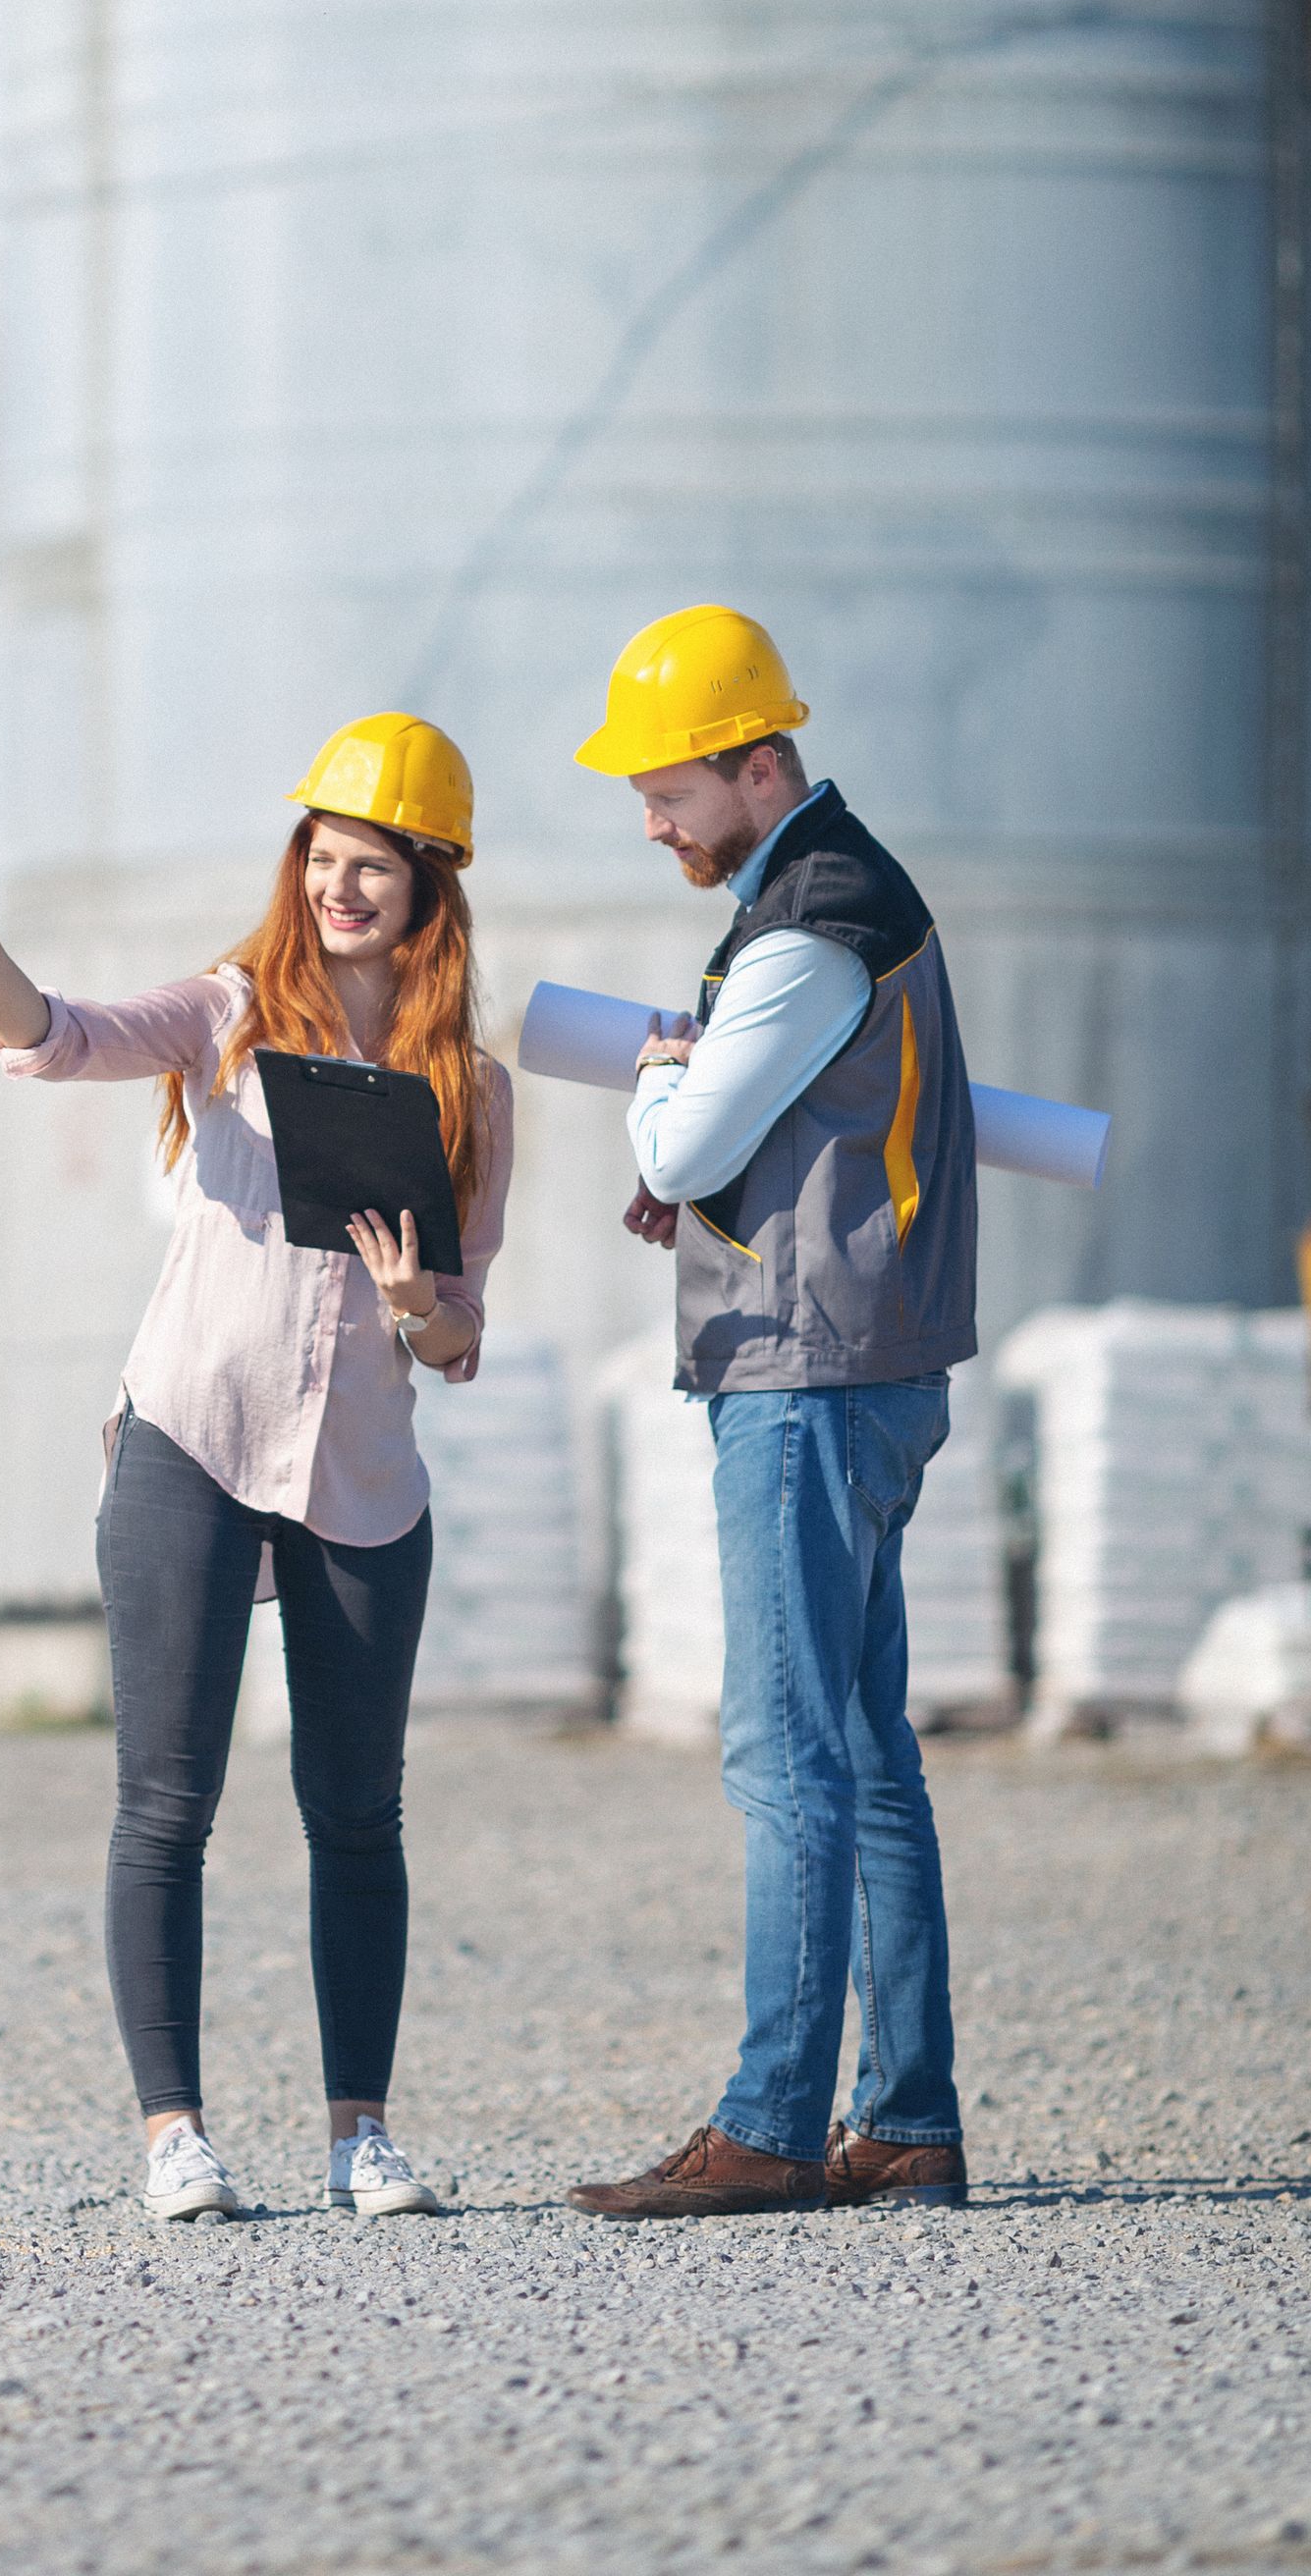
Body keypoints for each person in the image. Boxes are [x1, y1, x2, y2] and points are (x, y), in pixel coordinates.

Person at [0, 713, 513, 2227]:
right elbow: (59, 1039)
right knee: (164, 1802)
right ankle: (174, 2130)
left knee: (356, 1813)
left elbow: (463, 1335)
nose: (340, 888)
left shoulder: (472, 1095)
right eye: (324, 854)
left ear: (433, 890)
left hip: (364, 1472)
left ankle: (359, 2133)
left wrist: (413, 1302)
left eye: (375, 866)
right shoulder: (230, 1011)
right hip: (189, 1433)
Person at [565, 605, 978, 2221]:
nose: (652, 820)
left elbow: (673, 1144)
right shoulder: (847, 897)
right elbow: (817, 1133)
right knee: (867, 1754)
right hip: (867, 1361)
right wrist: (711, 1128)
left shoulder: (806, 926)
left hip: (807, 1379)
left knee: (787, 1751)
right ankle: (908, 2122)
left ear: (757, 762)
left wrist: (665, 1083)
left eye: (668, 790)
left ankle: (774, 2123)